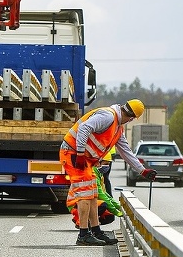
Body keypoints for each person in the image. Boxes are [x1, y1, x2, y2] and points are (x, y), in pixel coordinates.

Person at [61, 99, 157, 246]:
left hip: (82, 158)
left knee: (92, 194)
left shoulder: (118, 128)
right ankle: (83, 234)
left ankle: (95, 231)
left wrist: (142, 170)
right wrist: (80, 153)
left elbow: (126, 151)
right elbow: (84, 128)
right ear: (131, 118)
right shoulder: (108, 116)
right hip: (74, 154)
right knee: (86, 195)